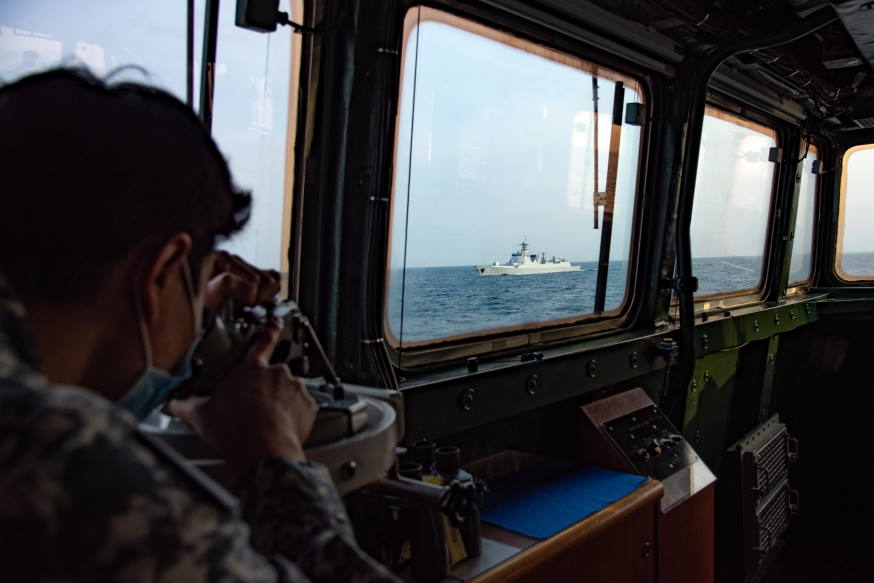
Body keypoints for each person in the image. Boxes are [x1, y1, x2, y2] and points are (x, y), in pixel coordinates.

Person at [0, 68, 399, 582]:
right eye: (192, 288)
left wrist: (192, 313)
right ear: (161, 270)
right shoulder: (62, 461)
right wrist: (276, 459)